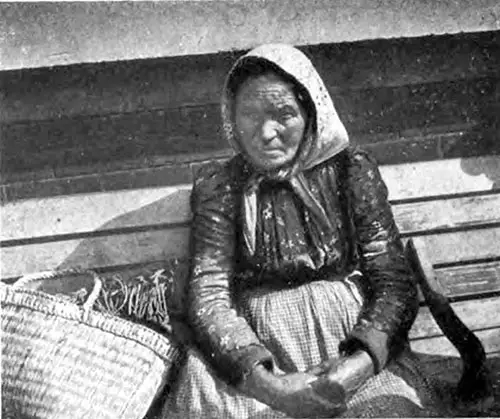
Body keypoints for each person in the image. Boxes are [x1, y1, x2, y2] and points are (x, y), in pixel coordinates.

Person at [162, 44, 443, 418]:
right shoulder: (221, 187)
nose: (266, 133)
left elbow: (394, 284)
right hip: (257, 353)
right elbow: (209, 295)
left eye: (284, 114)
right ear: (232, 117)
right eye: (249, 114)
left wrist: (351, 371)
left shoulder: (351, 173)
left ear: (311, 113)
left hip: (347, 345)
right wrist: (272, 388)